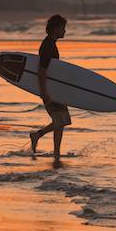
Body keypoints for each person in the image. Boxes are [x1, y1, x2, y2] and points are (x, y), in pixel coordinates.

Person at [30, 14, 70, 164]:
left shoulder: (50, 44)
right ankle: (40, 138)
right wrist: (44, 92)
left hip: (54, 89)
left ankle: (55, 150)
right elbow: (42, 70)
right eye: (63, 28)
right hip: (50, 90)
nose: (65, 32)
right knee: (61, 120)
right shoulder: (47, 46)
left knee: (61, 120)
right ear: (56, 28)